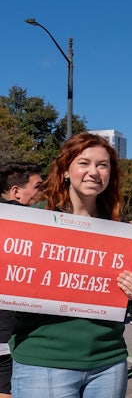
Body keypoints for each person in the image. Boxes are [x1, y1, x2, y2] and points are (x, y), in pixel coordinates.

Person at [9, 133, 132, 398]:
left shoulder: (118, 232)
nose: (93, 172)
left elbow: (121, 303)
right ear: (66, 170)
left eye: (102, 165)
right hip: (45, 361)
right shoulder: (33, 221)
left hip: (109, 361)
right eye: (84, 163)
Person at [0, 162, 44, 398]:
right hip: (9, 328)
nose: (43, 192)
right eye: (38, 186)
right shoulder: (22, 221)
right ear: (16, 192)